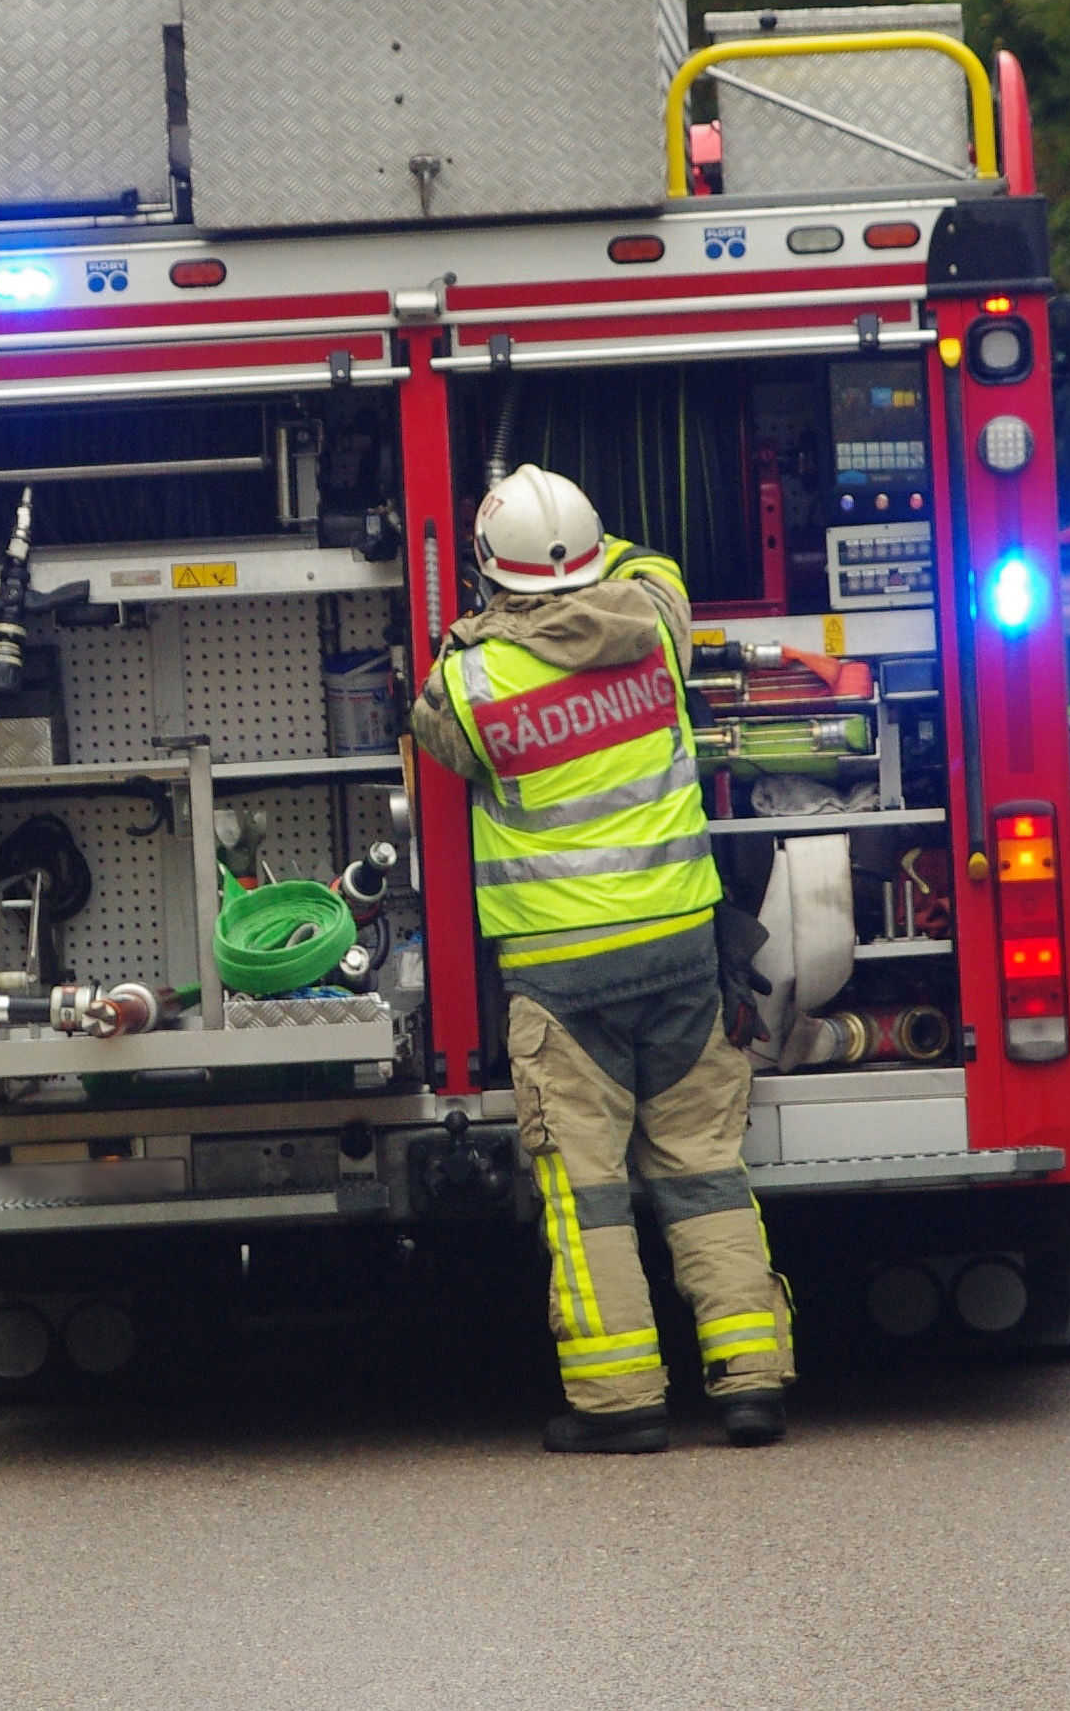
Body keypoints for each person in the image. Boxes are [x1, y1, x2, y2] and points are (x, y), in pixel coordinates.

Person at [409, 465, 794, 1453]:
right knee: (704, 1168)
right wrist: (586, 554)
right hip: (681, 954)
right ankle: (751, 1383)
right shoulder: (655, 628)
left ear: (490, 570)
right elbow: (650, 566)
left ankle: (620, 1402)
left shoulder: (471, 681)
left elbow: (432, 727)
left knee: (587, 1195)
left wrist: (485, 616)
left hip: (561, 976)